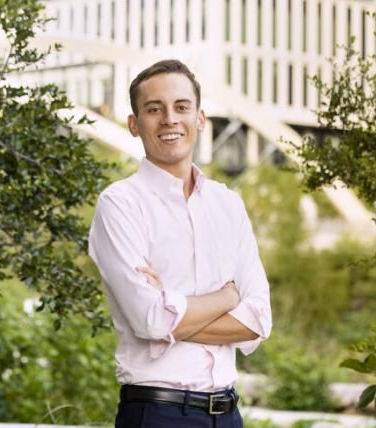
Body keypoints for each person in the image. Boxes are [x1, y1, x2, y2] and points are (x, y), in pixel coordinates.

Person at [88, 59, 272, 428]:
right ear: (134, 124)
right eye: (154, 109)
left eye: (181, 107)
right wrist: (227, 298)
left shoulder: (227, 203)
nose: (170, 119)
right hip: (157, 413)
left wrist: (169, 314)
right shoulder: (120, 204)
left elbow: (259, 320)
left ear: (200, 119)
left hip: (229, 415)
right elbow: (149, 319)